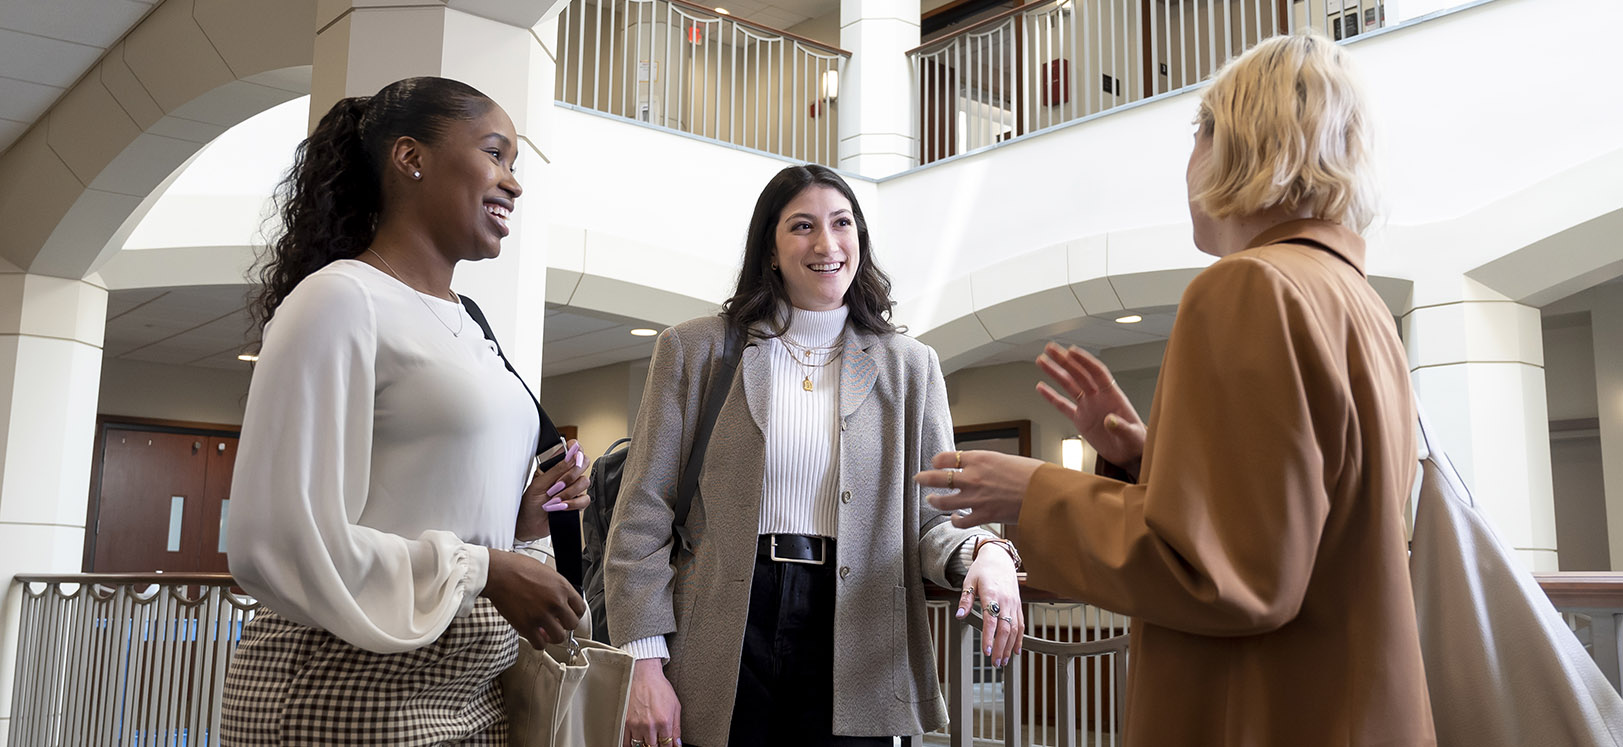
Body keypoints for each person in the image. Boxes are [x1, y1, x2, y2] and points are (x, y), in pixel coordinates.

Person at [917, 32, 1435, 745]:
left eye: (1198, 133)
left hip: (1263, 711)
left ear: (1236, 143)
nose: (1189, 160)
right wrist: (1144, 459)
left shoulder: (1248, 287)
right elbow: (1292, 519)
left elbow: (1228, 575)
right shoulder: (1353, 298)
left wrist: (1031, 491)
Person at [219, 76, 590, 745]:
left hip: (474, 697)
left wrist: (521, 524)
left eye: (514, 164)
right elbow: (276, 539)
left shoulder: (470, 323)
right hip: (345, 686)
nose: (513, 183)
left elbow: (430, 508)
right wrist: (486, 568)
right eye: (495, 154)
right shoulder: (340, 300)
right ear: (411, 157)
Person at [604, 164, 1026, 747]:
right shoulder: (696, 350)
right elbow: (643, 514)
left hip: (859, 633)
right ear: (771, 249)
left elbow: (936, 518)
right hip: (719, 630)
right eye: (803, 226)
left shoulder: (910, 366)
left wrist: (988, 552)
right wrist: (643, 662)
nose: (827, 244)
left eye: (842, 223)